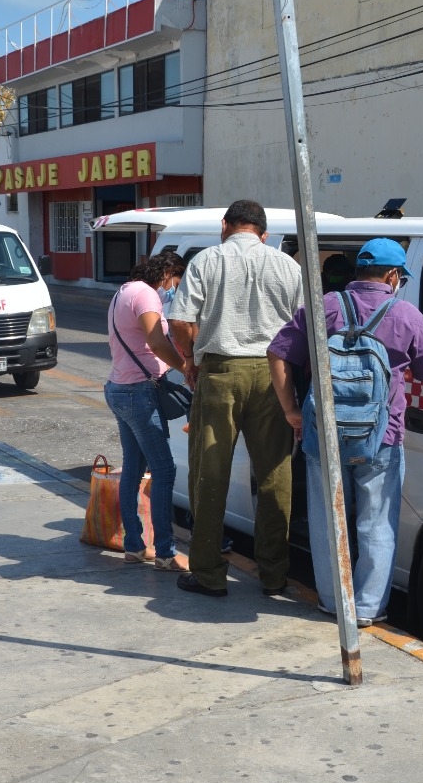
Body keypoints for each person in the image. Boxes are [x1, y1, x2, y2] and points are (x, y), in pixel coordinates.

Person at [267, 238, 423, 626]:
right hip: (382, 436)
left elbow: (278, 351)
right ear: (393, 276)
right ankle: (365, 609)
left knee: (329, 518)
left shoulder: (325, 306)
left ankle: (332, 600)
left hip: (322, 433)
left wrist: (291, 410)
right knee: (377, 523)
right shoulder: (407, 315)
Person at [167, 201, 303, 598]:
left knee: (210, 473)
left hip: (220, 372)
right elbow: (303, 325)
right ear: (263, 232)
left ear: (224, 225)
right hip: (274, 376)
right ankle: (274, 575)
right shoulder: (287, 265)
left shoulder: (207, 260)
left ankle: (208, 572)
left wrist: (189, 359)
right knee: (275, 476)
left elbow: (178, 321)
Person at [105, 252, 189, 571]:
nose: (173, 290)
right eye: (175, 282)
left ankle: (134, 546)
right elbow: (156, 341)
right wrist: (186, 367)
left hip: (119, 387)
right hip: (138, 391)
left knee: (134, 468)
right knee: (164, 470)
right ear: (167, 273)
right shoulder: (146, 294)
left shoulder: (124, 291)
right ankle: (166, 552)